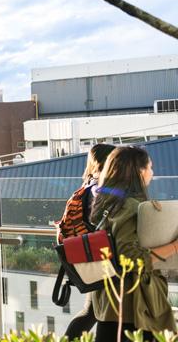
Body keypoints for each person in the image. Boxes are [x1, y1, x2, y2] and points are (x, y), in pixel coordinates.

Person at [91, 146, 178, 340]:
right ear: (140, 171)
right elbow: (129, 256)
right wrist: (174, 247)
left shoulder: (108, 202)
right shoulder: (130, 207)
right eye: (150, 168)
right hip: (132, 305)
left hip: (110, 300)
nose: (152, 174)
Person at [63, 143, 115, 340]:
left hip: (91, 255)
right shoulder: (99, 189)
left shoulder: (88, 185)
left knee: (92, 311)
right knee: (99, 313)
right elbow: (101, 221)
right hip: (101, 256)